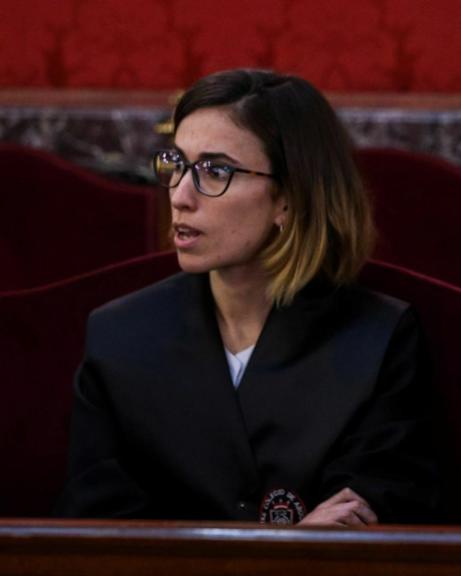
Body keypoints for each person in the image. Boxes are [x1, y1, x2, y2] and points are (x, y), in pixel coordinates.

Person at [56, 69, 439, 525]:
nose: (180, 196)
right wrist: (290, 545)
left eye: (215, 171)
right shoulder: (119, 335)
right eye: (176, 165)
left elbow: (371, 509)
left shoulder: (378, 338)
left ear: (290, 198)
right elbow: (98, 529)